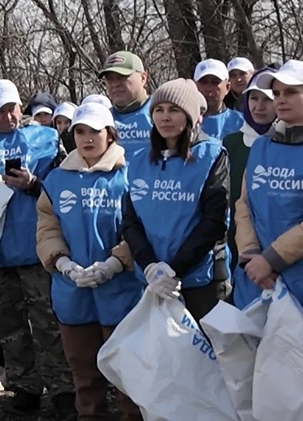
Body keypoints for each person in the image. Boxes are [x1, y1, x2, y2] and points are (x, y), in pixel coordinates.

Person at [0, 79, 73, 418]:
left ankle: (63, 389)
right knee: (9, 327)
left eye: (13, 108)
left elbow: (68, 186)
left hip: (38, 250)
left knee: (49, 324)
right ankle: (24, 387)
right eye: (0, 110)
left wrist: (34, 184)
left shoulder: (47, 138)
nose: (9, 116)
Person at [36, 103, 144, 421]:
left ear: (110, 134)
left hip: (121, 290)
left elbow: (142, 228)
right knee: (84, 373)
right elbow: (47, 228)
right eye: (80, 131)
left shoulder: (129, 176)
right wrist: (62, 262)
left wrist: (116, 263)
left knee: (127, 371)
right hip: (73, 292)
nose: (87, 138)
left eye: (94, 131)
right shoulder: (57, 179)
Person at [123, 79, 231, 320]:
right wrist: (150, 266)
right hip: (152, 280)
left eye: (174, 110)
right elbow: (130, 221)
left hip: (200, 281)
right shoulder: (139, 161)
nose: (165, 117)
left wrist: (175, 269)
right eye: (159, 110)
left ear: (190, 116)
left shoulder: (212, 155)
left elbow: (214, 221)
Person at [233, 60, 303, 307]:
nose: (280, 100)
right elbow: (244, 205)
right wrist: (251, 255)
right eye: (277, 93)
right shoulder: (261, 146)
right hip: (257, 279)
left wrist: (272, 259)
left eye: (290, 92)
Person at [222, 69, 276, 268]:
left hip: (277, 243)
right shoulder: (231, 143)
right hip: (236, 239)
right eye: (254, 98)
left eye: (268, 99)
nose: (259, 106)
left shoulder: (287, 145)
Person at [99, 51, 152, 159]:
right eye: (109, 78)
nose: (115, 84)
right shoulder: (102, 120)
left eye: (122, 77)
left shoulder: (160, 112)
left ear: (143, 78)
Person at [195, 59, 245, 140]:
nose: (208, 88)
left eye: (215, 82)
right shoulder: (184, 123)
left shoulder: (242, 123)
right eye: (203, 82)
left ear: (227, 87)